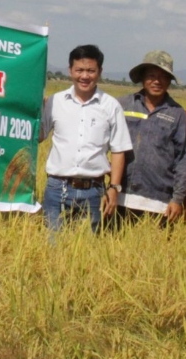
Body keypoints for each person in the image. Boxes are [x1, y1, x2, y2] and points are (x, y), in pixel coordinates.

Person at [39, 44, 133, 232]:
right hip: (56, 188)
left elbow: (118, 149)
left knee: (88, 250)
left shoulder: (110, 106)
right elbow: (39, 136)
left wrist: (114, 187)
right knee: (51, 246)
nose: (84, 76)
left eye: (90, 70)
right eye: (79, 70)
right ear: (70, 71)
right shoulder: (55, 102)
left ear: (99, 72)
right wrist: (34, 107)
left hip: (94, 191)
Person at [117, 50, 186, 223]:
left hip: (159, 202)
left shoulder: (178, 113)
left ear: (169, 81)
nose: (157, 81)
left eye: (163, 77)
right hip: (120, 197)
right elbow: (102, 143)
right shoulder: (122, 105)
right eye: (151, 76)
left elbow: (183, 158)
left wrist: (177, 198)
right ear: (142, 77)